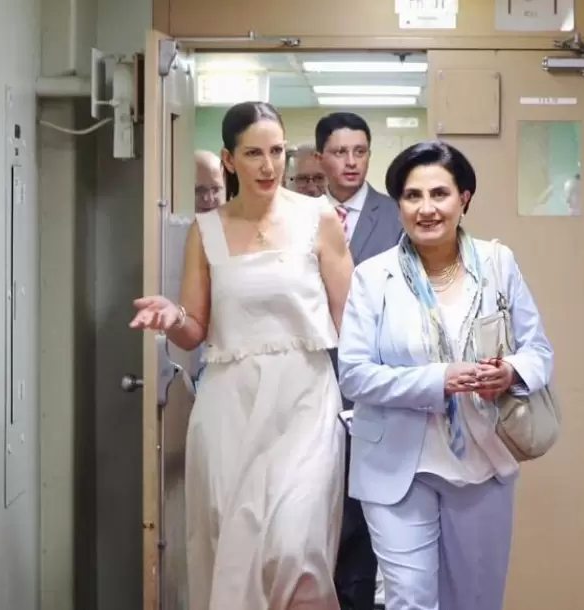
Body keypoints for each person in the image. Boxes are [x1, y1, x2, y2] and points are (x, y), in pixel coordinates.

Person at [129, 101, 352, 610]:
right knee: (233, 548)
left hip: (304, 398)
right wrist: (172, 316)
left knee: (296, 549)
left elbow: (351, 320)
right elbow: (195, 330)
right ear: (229, 160)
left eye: (277, 151)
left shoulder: (318, 218)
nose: (269, 166)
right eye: (254, 154)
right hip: (230, 402)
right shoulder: (206, 229)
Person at [336, 140, 554, 610]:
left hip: (481, 461)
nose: (426, 208)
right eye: (412, 196)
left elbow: (538, 352)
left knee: (475, 601)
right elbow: (353, 375)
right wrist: (439, 380)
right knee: (409, 600)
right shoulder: (373, 277)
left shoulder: (497, 264)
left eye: (440, 194)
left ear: (464, 198)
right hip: (395, 464)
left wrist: (510, 372)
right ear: (398, 205)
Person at [314, 111, 402, 610]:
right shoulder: (300, 216)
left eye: (360, 151)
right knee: (315, 508)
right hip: (311, 379)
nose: (351, 162)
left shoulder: (396, 216)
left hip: (374, 381)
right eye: (340, 152)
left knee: (364, 513)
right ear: (320, 157)